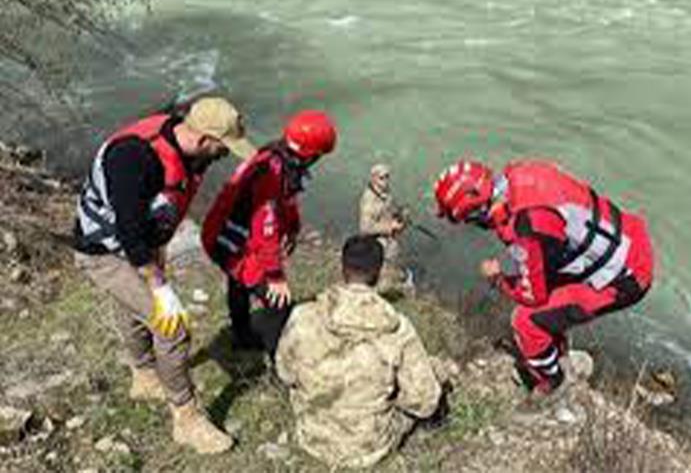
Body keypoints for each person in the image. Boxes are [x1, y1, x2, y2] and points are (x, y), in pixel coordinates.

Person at [73, 97, 255, 453]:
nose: (225, 155)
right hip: (103, 251)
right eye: (224, 147)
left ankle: (143, 375)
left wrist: (158, 253)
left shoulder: (184, 141)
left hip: (136, 243)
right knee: (172, 326)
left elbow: (151, 215)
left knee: (133, 308)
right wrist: (158, 285)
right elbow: (128, 231)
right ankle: (186, 419)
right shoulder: (133, 158)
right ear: (204, 139)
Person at [433, 159, 653, 400]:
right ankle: (559, 353)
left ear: (477, 212)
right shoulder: (522, 173)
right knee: (550, 298)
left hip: (625, 278)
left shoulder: (526, 225)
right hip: (629, 239)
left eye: (468, 219)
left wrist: (498, 279)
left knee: (526, 321)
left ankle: (552, 383)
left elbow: (533, 295)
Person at [275, 234, 442, 469]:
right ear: (379, 272)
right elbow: (425, 403)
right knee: (435, 371)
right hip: (369, 447)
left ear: (342, 267)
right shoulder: (398, 329)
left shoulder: (303, 314)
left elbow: (285, 373)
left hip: (311, 436)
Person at [201, 110, 336, 355]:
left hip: (222, 231)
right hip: (229, 239)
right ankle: (279, 360)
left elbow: (287, 200)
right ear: (311, 155)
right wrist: (275, 276)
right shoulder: (270, 174)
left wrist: (293, 228)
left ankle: (242, 337)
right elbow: (266, 229)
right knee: (279, 304)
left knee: (238, 283)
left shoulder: (277, 157)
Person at [358, 163, 413, 295]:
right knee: (383, 271)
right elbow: (365, 228)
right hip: (375, 243)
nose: (386, 181)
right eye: (382, 178)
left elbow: (388, 209)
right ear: (373, 178)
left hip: (388, 239)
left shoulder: (385, 193)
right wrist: (390, 227)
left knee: (391, 262)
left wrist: (400, 214)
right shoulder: (369, 201)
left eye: (387, 177)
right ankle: (379, 293)